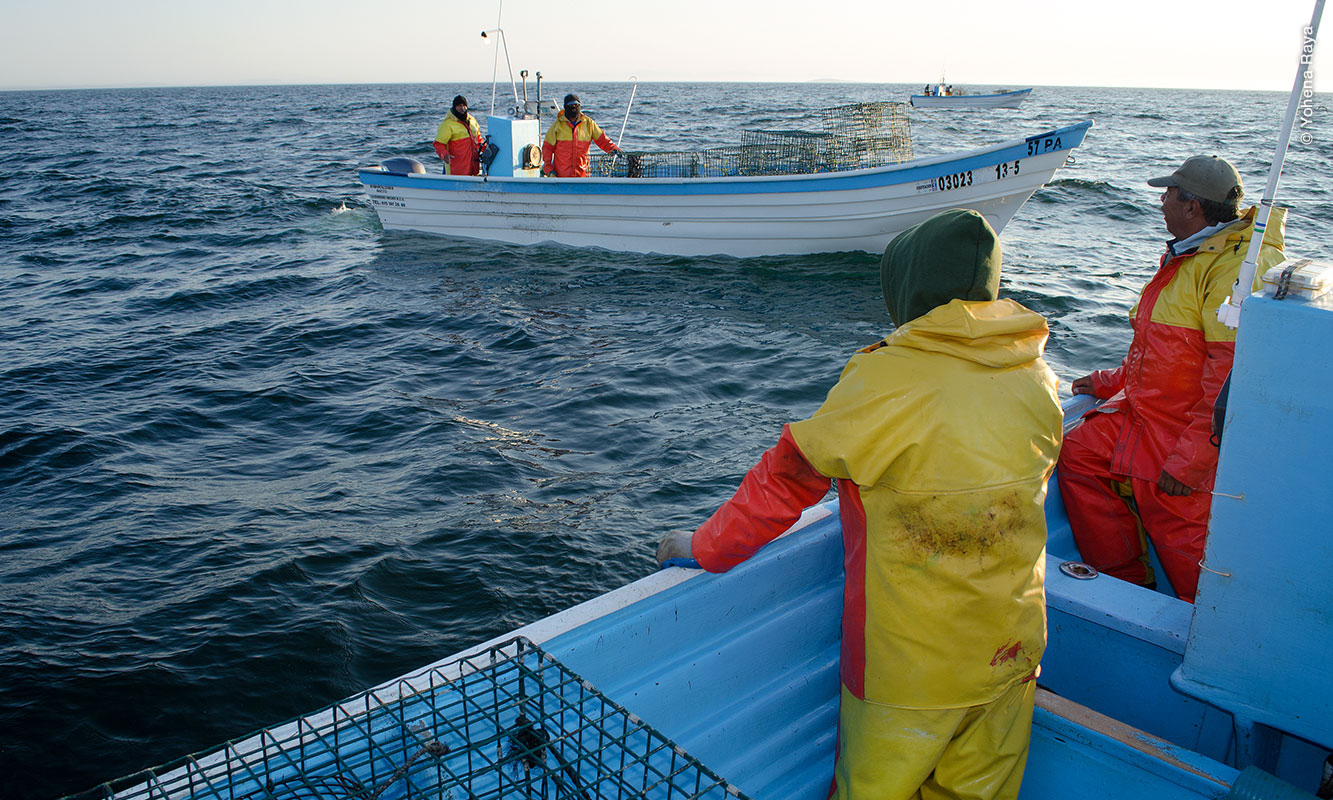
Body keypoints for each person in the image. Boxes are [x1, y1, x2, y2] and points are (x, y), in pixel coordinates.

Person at [657, 209, 1063, 800]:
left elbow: (789, 477)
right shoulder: (1036, 374)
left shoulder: (887, 379)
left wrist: (704, 546)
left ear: (909, 288)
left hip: (910, 669)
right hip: (1014, 653)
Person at [1057, 156, 1286, 602]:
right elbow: (1162, 352)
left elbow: (1231, 378)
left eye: (1170, 194)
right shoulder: (1192, 253)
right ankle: (1126, 590)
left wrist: (1193, 460)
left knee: (1179, 526)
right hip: (1146, 415)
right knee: (1078, 453)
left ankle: (1211, 641)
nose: (1162, 201)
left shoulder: (1233, 269)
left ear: (1192, 207)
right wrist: (1109, 381)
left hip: (1184, 432)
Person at [541, 93, 620, 178]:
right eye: (570, 105)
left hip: (583, 176)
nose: (573, 107)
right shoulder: (557, 125)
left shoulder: (589, 123)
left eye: (576, 105)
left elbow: (603, 140)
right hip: (562, 177)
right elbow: (547, 148)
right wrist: (549, 170)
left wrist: (614, 149)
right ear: (565, 107)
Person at [434, 95, 485, 176]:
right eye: (459, 106)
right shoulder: (447, 124)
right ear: (454, 107)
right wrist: (444, 155)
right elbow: (438, 144)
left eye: (464, 105)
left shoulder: (472, 121)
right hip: (456, 170)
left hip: (474, 168)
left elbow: (478, 139)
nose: (462, 108)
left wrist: (485, 149)